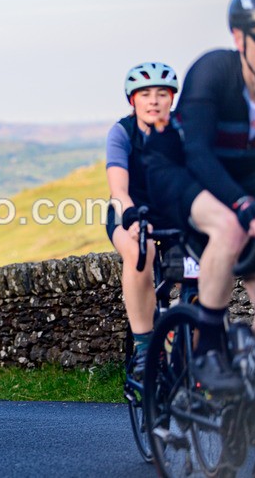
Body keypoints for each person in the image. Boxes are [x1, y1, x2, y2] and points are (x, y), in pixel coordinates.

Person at [144, 0, 255, 394]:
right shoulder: (214, 72)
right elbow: (198, 154)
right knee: (229, 227)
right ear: (239, 38)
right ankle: (207, 347)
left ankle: (241, 403)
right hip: (178, 172)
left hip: (236, 177)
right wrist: (243, 206)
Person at [105, 62, 180, 379]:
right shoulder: (123, 132)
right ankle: (144, 348)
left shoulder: (183, 131)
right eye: (145, 94)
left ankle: (194, 349)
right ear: (132, 100)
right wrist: (132, 216)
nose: (154, 101)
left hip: (174, 213)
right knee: (140, 251)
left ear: (172, 98)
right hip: (129, 211)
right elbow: (119, 189)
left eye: (162, 93)